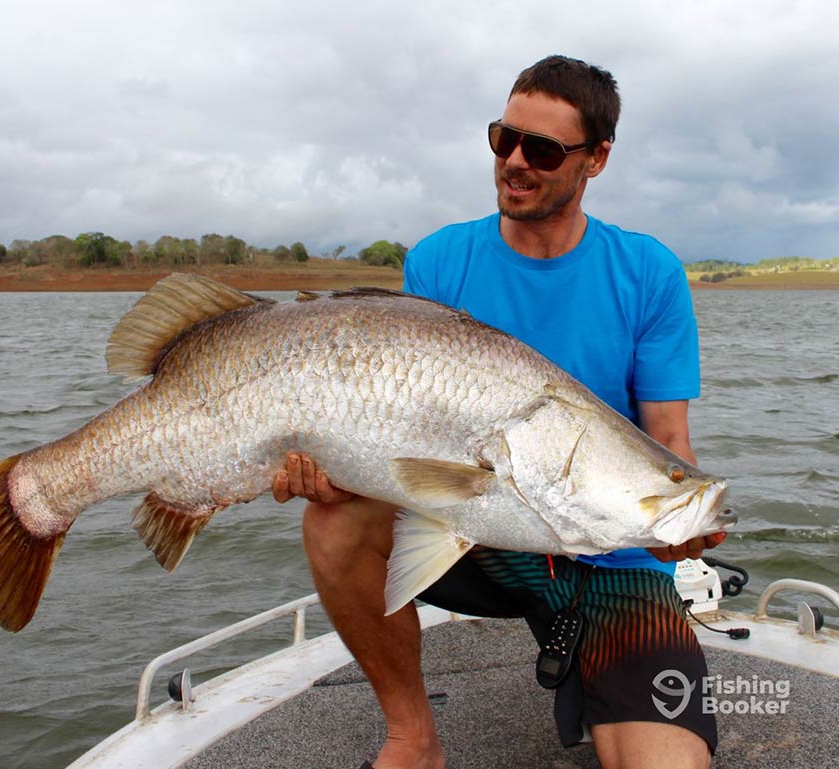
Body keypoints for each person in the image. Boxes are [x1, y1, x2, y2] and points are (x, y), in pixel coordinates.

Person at [273, 55, 726, 769]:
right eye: (503, 138)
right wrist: (335, 471)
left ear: (597, 159)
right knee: (334, 518)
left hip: (612, 558)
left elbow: (668, 438)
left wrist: (678, 524)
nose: (514, 161)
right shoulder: (438, 261)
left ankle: (602, 661)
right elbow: (405, 440)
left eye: (541, 150)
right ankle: (413, 738)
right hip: (480, 525)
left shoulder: (649, 272)